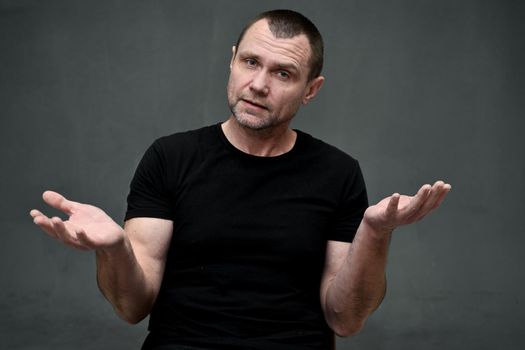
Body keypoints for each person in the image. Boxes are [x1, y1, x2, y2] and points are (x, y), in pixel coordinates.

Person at [30, 9, 451, 350]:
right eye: (250, 62)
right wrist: (115, 249)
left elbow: (345, 319)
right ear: (232, 59)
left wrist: (375, 232)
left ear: (311, 89)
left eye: (283, 73)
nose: (258, 84)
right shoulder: (170, 157)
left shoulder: (337, 172)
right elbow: (132, 307)